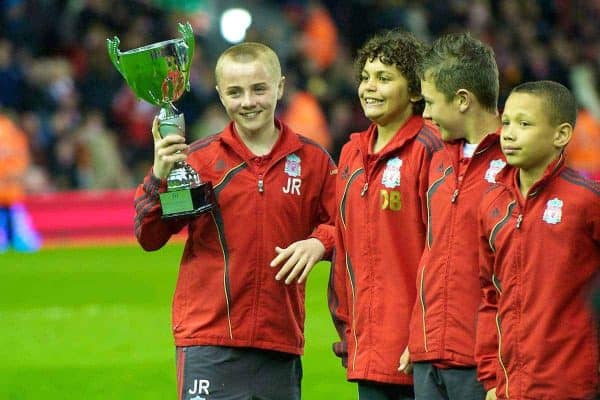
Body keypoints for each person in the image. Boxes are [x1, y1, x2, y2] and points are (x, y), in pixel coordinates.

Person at [134, 42, 336, 400]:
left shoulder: (313, 162)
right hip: (208, 342)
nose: (248, 101)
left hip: (279, 341)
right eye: (235, 92)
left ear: (280, 87)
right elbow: (149, 237)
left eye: (259, 89)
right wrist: (159, 174)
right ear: (220, 95)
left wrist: (320, 242)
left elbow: (349, 225)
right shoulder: (197, 161)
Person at [328, 29, 442, 399]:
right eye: (365, 77)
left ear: (413, 92)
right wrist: (348, 330)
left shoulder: (430, 149)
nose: (369, 87)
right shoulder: (351, 154)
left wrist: (424, 335)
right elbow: (344, 246)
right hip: (367, 347)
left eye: (384, 78)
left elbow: (441, 252)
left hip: (420, 350)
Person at [476, 80, 600, 400]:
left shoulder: (587, 202)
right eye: (506, 123)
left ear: (561, 135)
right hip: (509, 387)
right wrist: (492, 377)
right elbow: (491, 295)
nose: (510, 133)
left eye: (524, 124)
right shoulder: (492, 205)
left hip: (572, 386)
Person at [398, 32, 505, 400]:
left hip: (484, 361)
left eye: (430, 102)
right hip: (429, 356)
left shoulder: (517, 162)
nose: (424, 114)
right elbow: (433, 251)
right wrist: (421, 333)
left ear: (462, 100)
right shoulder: (438, 158)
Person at [0, 112, 41, 252]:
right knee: (17, 216)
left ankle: (10, 239)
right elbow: (22, 160)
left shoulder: (12, 134)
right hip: (12, 187)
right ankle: (20, 240)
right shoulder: (15, 134)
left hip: (8, 187)